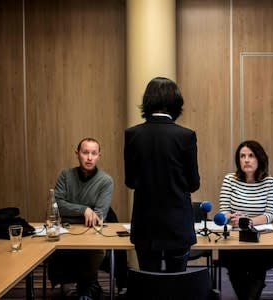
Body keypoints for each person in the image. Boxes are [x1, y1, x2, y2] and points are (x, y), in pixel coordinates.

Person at [124, 77, 200, 273]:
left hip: (145, 225)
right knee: (177, 284)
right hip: (178, 225)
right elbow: (193, 184)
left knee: (150, 286)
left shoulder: (133, 134)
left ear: (147, 101)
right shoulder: (186, 136)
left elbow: (130, 181)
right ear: (177, 102)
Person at [49, 137, 114, 299]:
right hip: (66, 230)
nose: (89, 157)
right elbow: (57, 205)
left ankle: (86, 286)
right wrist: (84, 210)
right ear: (77, 154)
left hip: (91, 232)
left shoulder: (106, 181)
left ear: (99, 156)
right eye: (85, 153)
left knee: (97, 250)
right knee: (53, 248)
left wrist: (72, 211)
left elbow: (99, 216)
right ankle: (87, 286)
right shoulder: (65, 175)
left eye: (94, 153)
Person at [218, 140, 273, 300]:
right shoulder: (229, 180)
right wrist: (230, 218)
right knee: (234, 266)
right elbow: (224, 212)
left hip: (260, 237)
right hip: (235, 237)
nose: (246, 160)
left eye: (251, 156)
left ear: (259, 159)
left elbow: (269, 214)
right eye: (242, 156)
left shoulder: (269, 181)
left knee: (258, 265)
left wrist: (249, 221)